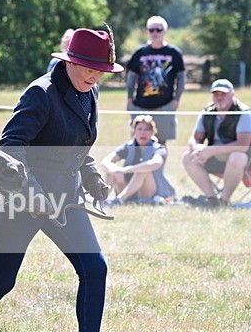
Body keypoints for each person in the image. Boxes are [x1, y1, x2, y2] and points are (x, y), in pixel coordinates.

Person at [0, 27, 132, 332]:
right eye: (89, 69)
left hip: (65, 200)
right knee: (2, 279)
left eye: (101, 73)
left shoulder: (88, 91)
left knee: (95, 269)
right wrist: (31, 191)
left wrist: (90, 172)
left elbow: (74, 143)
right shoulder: (40, 93)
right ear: (70, 61)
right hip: (18, 200)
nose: (95, 77)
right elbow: (11, 144)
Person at [182, 79, 251, 207]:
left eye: (223, 94)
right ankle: (212, 199)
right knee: (187, 156)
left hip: (243, 162)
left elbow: (243, 145)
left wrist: (210, 150)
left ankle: (224, 200)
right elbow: (195, 137)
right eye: (216, 94)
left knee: (237, 157)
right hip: (214, 159)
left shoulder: (244, 113)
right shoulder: (207, 112)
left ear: (232, 94)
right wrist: (196, 148)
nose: (219, 97)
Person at [125, 16, 186, 144]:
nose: (155, 33)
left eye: (158, 30)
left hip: (164, 104)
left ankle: (159, 165)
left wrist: (177, 99)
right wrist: (129, 98)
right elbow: (131, 77)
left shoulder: (174, 53)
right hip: (141, 104)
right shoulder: (140, 52)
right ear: (147, 32)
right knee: (138, 142)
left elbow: (181, 78)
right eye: (151, 30)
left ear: (164, 31)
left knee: (161, 142)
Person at [100, 115, 176, 204]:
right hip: (126, 186)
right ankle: (101, 199)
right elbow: (105, 162)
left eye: (147, 129)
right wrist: (114, 170)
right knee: (111, 170)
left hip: (148, 191)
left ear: (152, 132)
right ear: (134, 132)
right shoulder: (128, 146)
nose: (143, 132)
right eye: (139, 129)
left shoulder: (159, 148)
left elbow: (155, 164)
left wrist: (126, 169)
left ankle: (119, 200)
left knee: (143, 170)